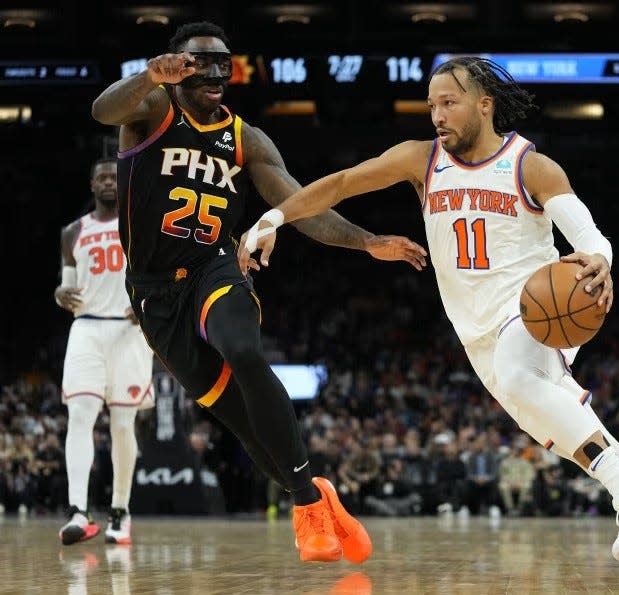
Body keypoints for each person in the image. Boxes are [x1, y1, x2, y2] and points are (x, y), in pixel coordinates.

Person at [239, 56, 619, 574]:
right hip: (478, 338)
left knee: (528, 383)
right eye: (431, 105)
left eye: (449, 102)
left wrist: (600, 261)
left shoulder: (529, 165)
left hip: (538, 317)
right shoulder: (419, 159)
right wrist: (275, 216)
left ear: (485, 104)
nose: (438, 115)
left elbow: (588, 236)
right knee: (597, 448)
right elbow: (342, 182)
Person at [91, 21, 427, 563]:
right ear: (177, 71)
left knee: (245, 350)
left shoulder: (247, 139)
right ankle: (314, 497)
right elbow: (102, 112)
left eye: (223, 63)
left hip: (214, 268)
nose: (216, 73)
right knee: (246, 426)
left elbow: (303, 206)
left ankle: (306, 508)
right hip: (154, 296)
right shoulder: (151, 110)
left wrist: (368, 243)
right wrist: (150, 75)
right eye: (201, 63)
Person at [54, 157, 155, 545]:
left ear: (123, 182)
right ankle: (77, 511)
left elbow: (160, 272)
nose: (109, 182)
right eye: (102, 177)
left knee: (122, 424)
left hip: (130, 332)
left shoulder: (138, 223)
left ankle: (120, 510)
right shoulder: (72, 232)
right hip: (87, 328)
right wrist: (60, 292)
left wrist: (148, 301)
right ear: (92, 185)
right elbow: (68, 288)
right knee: (79, 414)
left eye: (115, 176)